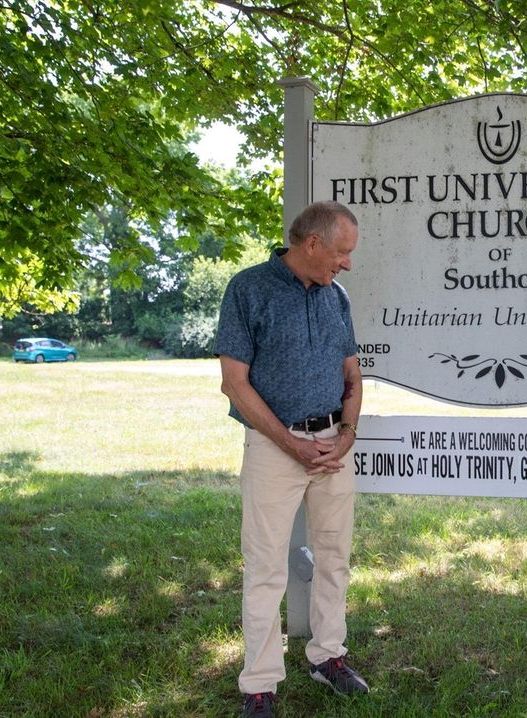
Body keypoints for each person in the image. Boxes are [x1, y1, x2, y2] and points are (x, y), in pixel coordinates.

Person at [215, 201, 369, 717]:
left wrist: (345, 434)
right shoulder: (248, 288)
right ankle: (259, 684)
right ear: (312, 244)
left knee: (334, 556)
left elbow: (352, 374)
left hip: (330, 446)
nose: (346, 264)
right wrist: (289, 442)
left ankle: (328, 656)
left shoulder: (337, 296)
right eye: (342, 253)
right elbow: (234, 384)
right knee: (264, 567)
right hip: (274, 449)